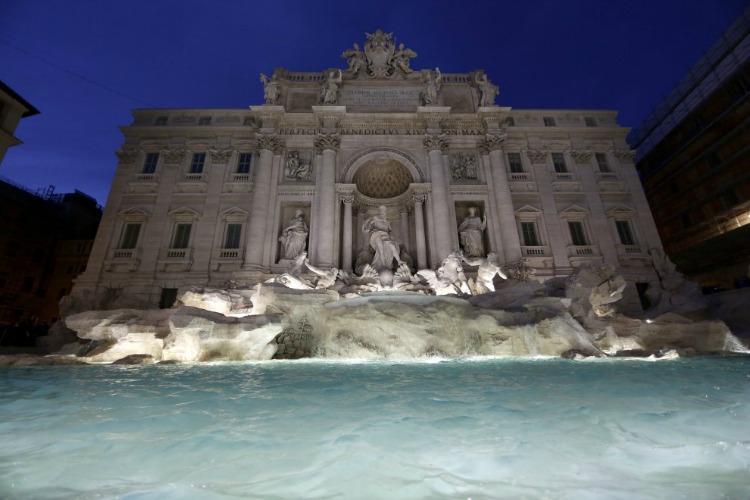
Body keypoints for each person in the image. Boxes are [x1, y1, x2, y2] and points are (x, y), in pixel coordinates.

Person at [362, 205, 404, 271]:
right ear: (379, 211)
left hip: (385, 236)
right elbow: (367, 227)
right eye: (382, 210)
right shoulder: (375, 218)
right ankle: (383, 264)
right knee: (380, 245)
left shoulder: (387, 221)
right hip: (376, 235)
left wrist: (392, 238)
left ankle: (399, 261)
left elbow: (390, 231)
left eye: (384, 210)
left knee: (392, 245)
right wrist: (367, 227)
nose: (383, 211)